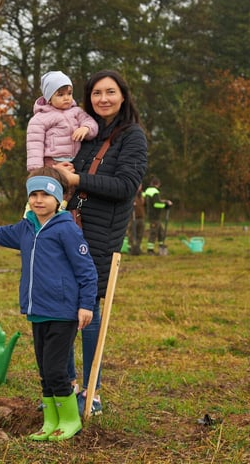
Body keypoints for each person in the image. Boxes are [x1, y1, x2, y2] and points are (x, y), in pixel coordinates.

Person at [0, 167, 97, 442]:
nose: (38, 200)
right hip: (37, 311)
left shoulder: (66, 229)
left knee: (56, 370)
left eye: (45, 194)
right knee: (44, 371)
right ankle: (50, 420)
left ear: (58, 199)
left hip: (63, 312)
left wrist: (86, 304)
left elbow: (86, 270)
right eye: (34, 195)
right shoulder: (26, 227)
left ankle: (70, 420)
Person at [54, 69, 148, 417]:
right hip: (68, 228)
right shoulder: (85, 134)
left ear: (123, 96)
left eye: (110, 92)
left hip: (98, 236)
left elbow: (125, 186)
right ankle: (67, 387)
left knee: (88, 311)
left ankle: (92, 394)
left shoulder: (132, 137)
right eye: (96, 93)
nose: (103, 99)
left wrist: (78, 178)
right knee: (60, 311)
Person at [26, 71, 98, 172]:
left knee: (75, 185)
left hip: (77, 161)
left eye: (69, 93)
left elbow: (91, 122)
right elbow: (34, 146)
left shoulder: (76, 111)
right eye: (60, 95)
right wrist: (38, 170)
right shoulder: (39, 119)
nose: (66, 98)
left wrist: (86, 128)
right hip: (53, 163)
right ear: (49, 99)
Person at [143, 177, 171, 255]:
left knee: (160, 232)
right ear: (158, 184)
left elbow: (153, 202)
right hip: (154, 216)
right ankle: (150, 250)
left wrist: (164, 201)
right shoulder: (155, 192)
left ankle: (161, 246)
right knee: (153, 232)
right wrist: (165, 206)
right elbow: (156, 204)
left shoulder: (147, 191)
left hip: (153, 215)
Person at [127, 184, 145, 255]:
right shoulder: (131, 194)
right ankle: (131, 249)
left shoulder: (142, 195)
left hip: (141, 217)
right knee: (132, 234)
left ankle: (137, 248)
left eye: (140, 186)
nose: (139, 187)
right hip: (133, 218)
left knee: (140, 234)